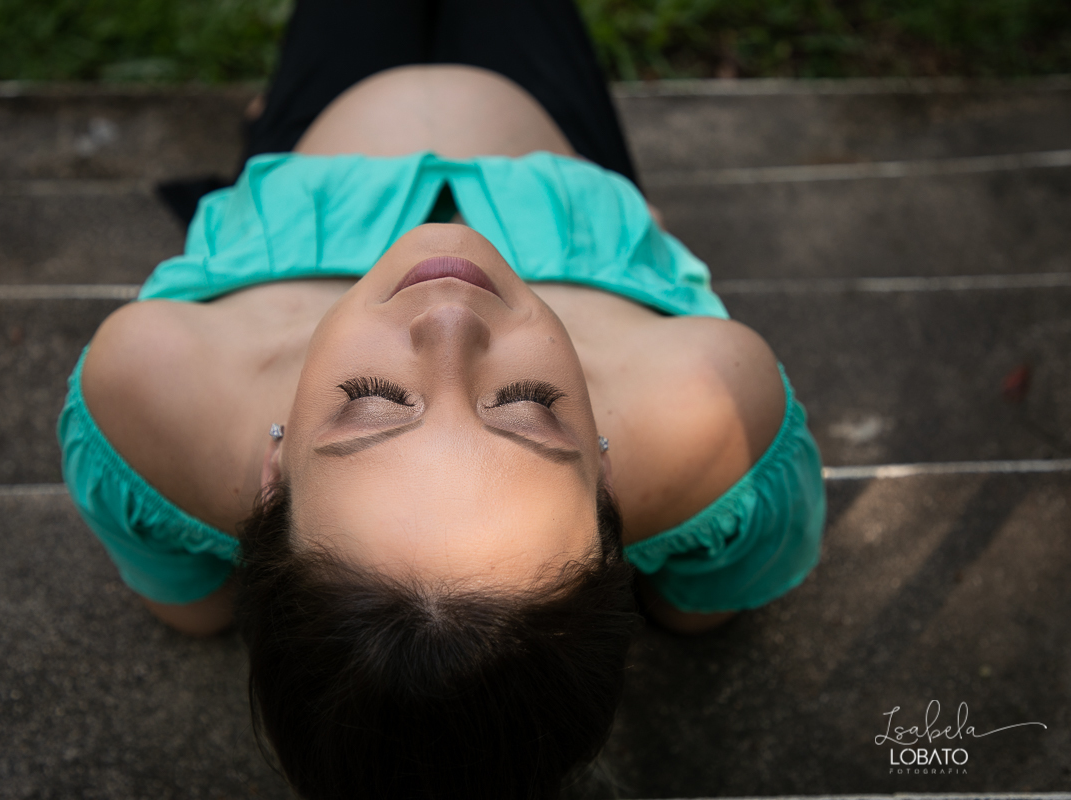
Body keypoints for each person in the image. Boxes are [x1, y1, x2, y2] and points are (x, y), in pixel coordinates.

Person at [58, 1, 827, 797]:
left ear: (273, 474)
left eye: (371, 398)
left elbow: (193, 608)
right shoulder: (715, 408)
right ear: (609, 488)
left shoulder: (150, 382)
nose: (451, 318)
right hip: (563, 171)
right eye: (530, 403)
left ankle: (271, 120)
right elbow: (703, 612)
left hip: (311, 153)